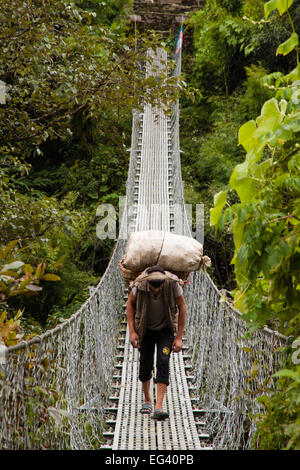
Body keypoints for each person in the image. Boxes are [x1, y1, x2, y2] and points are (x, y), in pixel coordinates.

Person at [125, 265, 186, 420]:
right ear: (148, 282)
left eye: (158, 285)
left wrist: (179, 337)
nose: (156, 289)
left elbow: (182, 307)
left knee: (163, 361)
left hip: (165, 330)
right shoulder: (139, 285)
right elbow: (129, 305)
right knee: (145, 362)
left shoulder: (172, 285)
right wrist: (132, 332)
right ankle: (147, 400)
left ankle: (159, 406)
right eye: (153, 286)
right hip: (145, 329)